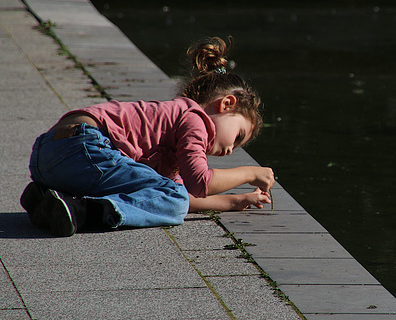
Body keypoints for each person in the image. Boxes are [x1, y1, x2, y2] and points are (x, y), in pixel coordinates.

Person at [19, 37, 274, 237]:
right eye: (238, 136)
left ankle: (49, 201)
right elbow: (199, 184)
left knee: (170, 196)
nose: (231, 149)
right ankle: (81, 211)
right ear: (226, 104)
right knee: (174, 205)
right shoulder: (195, 119)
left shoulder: (175, 127)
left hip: (47, 152)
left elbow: (171, 194)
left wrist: (236, 201)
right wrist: (250, 173)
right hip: (86, 147)